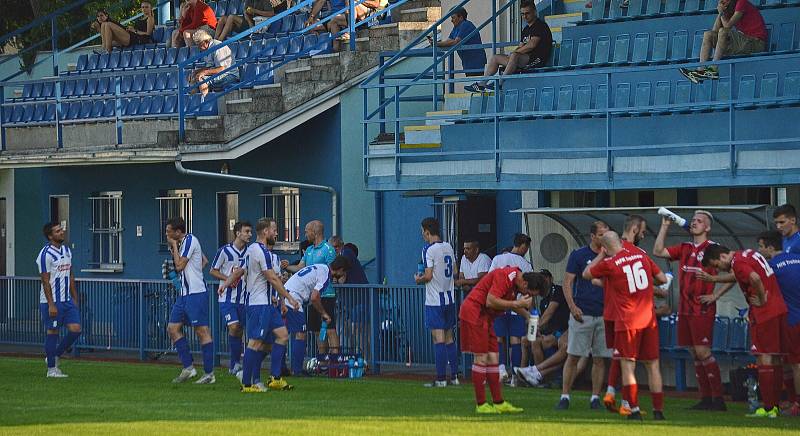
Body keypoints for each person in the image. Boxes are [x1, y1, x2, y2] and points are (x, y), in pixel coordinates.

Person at [584, 231, 668, 421]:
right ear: (621, 243)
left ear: (605, 247)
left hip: (627, 320)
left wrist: (602, 254)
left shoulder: (610, 263)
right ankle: (658, 411)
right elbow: (662, 279)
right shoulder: (642, 256)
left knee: (628, 365)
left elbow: (587, 273)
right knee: (653, 366)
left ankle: (634, 410)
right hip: (649, 318)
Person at [653, 210, 730, 411]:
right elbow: (658, 251)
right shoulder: (685, 247)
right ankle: (705, 398)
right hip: (685, 308)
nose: (695, 223)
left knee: (703, 351)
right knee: (694, 353)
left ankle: (719, 400)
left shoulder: (714, 249)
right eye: (694, 220)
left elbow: (734, 272)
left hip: (702, 308)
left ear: (708, 227)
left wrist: (716, 295)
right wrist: (665, 225)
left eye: (700, 221)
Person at [701, 244, 789, 418]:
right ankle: (777, 406)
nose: (718, 269)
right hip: (779, 309)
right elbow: (742, 275)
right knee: (776, 358)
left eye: (717, 265)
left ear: (723, 256)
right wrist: (715, 280)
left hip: (765, 313)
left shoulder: (738, 262)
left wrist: (762, 299)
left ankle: (769, 408)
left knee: (763, 357)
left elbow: (754, 278)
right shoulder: (747, 254)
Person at [221, 218, 299, 392]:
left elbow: (240, 270)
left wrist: (226, 283)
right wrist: (289, 298)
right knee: (255, 343)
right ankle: (247, 383)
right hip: (259, 304)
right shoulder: (259, 251)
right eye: (274, 230)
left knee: (282, 335)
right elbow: (271, 277)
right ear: (265, 232)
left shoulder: (252, 250)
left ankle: (275, 378)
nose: (276, 233)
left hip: (267, 305)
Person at [541, 221, 612, 411]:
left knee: (599, 358)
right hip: (582, 312)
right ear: (593, 236)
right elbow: (567, 282)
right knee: (573, 355)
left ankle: (595, 398)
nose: (605, 238)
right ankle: (565, 396)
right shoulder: (579, 255)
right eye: (602, 234)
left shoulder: (612, 256)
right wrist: (573, 307)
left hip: (604, 314)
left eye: (607, 234)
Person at [459, 266, 545, 414]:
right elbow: (490, 301)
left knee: (494, 358)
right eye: (529, 293)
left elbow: (510, 303)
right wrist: (516, 304)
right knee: (481, 358)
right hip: (475, 313)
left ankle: (498, 402)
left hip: (486, 317)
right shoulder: (504, 276)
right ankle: (481, 404)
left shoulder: (515, 282)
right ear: (525, 284)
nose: (528, 296)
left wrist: (528, 316)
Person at [165, 217, 215, 384]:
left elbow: (179, 266)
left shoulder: (189, 240)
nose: (167, 234)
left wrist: (173, 246)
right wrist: (194, 272)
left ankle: (209, 374)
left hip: (196, 294)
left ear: (178, 232)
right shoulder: (184, 243)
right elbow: (204, 260)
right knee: (172, 328)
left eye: (169, 231)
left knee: (201, 331)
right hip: (184, 294)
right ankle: (188, 368)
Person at [465, 0, 551, 93]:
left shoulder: (540, 25)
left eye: (527, 13)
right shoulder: (526, 29)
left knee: (515, 55)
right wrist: (512, 54)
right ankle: (482, 84)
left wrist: (514, 54)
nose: (525, 16)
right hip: (524, 59)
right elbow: (521, 46)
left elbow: (531, 45)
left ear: (534, 11)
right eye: (522, 14)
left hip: (537, 60)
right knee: (495, 58)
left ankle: (500, 83)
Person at [757, 230, 800, 416]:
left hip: (792, 319)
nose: (759, 251)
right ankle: (792, 400)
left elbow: (763, 290)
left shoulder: (771, 266)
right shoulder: (798, 259)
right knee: (788, 362)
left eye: (761, 246)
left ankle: (797, 403)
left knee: (796, 363)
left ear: (770, 247)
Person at [283, 257, 350, 376]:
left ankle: (282, 368)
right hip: (293, 299)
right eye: (343, 272)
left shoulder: (321, 267)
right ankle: (297, 370)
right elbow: (314, 297)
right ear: (339, 269)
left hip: (286, 294)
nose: (342, 275)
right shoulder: (325, 275)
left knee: (282, 334)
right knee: (301, 333)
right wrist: (323, 313)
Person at [283, 220, 339, 357]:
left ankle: (335, 359)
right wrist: (286, 266)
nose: (305, 234)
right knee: (316, 329)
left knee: (330, 328)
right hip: (311, 296)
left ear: (315, 232)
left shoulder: (328, 249)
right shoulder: (308, 250)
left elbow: (334, 271)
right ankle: (322, 359)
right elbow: (300, 268)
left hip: (326, 294)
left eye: (307, 231)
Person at [414, 217, 459, 387]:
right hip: (449, 297)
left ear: (427, 231)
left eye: (423, 232)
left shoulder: (428, 249)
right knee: (449, 338)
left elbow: (428, 275)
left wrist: (418, 279)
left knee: (438, 338)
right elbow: (455, 271)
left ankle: (441, 379)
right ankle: (454, 377)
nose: (423, 236)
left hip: (435, 300)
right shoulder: (448, 246)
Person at [680, 0, 766, 83]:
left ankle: (713, 69)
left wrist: (722, 15)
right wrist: (720, 13)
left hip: (756, 43)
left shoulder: (741, 2)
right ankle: (700, 71)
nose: (723, 2)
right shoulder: (728, 10)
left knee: (723, 32)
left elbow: (727, 27)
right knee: (708, 34)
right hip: (743, 43)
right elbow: (714, 31)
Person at [37, 222, 82, 378]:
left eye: (61, 229)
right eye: (58, 231)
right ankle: (51, 370)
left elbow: (70, 274)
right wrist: (51, 304)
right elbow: (45, 280)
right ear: (50, 236)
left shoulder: (67, 251)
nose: (62, 232)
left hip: (67, 300)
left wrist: (74, 297)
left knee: (76, 329)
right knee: (53, 332)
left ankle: (54, 355)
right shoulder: (45, 254)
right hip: (52, 301)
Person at [489, 234, 533, 386]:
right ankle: (514, 375)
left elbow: (490, 279)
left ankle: (501, 369)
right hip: (517, 304)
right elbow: (529, 288)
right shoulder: (525, 264)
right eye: (526, 247)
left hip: (499, 303)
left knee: (499, 338)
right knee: (516, 340)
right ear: (522, 246)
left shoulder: (498, 259)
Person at [209, 221, 252, 376]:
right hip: (227, 299)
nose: (249, 234)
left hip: (244, 299)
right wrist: (228, 278)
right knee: (233, 327)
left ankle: (237, 363)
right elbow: (212, 271)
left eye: (250, 232)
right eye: (246, 231)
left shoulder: (250, 252)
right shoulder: (224, 251)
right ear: (237, 233)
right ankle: (234, 363)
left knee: (240, 330)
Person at [516, 269, 570, 386]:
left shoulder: (557, 291)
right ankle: (522, 377)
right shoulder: (543, 300)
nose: (543, 281)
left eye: (545, 278)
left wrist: (535, 329)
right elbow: (539, 318)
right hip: (550, 332)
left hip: (563, 331)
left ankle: (539, 377)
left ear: (550, 279)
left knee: (535, 340)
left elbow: (548, 314)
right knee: (527, 340)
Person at [429, 7, 487, 77]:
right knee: (473, 84)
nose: (451, 20)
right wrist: (436, 43)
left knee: (476, 84)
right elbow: (449, 41)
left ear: (461, 17)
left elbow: (456, 42)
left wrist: (437, 44)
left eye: (453, 18)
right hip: (468, 62)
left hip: (475, 61)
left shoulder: (465, 24)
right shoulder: (456, 27)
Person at [189, 30, 239, 97]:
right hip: (219, 74)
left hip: (229, 75)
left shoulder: (217, 46)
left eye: (199, 45)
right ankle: (193, 102)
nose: (198, 47)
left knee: (202, 79)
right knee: (194, 78)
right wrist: (196, 72)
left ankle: (204, 103)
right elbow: (210, 66)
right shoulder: (206, 49)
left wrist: (204, 72)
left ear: (206, 42)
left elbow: (221, 69)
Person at [90, 2, 155, 54]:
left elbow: (148, 34)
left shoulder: (150, 18)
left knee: (108, 24)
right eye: (142, 7)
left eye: (146, 7)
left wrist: (134, 30)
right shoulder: (141, 18)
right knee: (104, 24)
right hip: (131, 36)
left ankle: (107, 50)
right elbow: (104, 36)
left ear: (150, 8)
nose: (144, 9)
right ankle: (104, 48)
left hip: (136, 39)